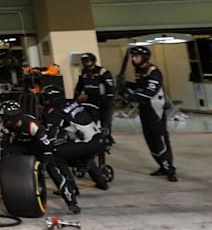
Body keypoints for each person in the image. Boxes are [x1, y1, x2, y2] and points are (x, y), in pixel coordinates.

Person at [0, 99, 81, 213]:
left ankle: (71, 202)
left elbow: (46, 143)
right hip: (20, 145)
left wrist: (46, 157)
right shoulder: (4, 126)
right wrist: (5, 160)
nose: (2, 120)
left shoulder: (31, 124)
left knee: (53, 171)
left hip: (38, 146)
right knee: (11, 163)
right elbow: (5, 145)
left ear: (13, 117)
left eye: (4, 117)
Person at [38, 86, 110, 191]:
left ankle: (70, 187)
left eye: (45, 99)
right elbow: (93, 109)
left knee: (55, 154)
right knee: (80, 153)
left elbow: (51, 137)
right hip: (98, 137)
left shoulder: (56, 112)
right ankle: (101, 182)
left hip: (88, 142)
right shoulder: (72, 102)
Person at [124, 46, 177, 181]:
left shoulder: (153, 72)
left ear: (144, 58)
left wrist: (132, 96)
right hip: (144, 108)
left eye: (136, 56)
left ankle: (169, 168)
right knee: (149, 138)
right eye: (133, 56)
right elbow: (141, 86)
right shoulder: (139, 70)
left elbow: (149, 92)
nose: (133, 59)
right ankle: (161, 165)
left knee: (159, 138)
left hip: (155, 109)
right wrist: (126, 85)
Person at [73, 53, 115, 139]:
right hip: (90, 99)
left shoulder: (102, 71)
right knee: (91, 119)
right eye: (84, 61)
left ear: (93, 61)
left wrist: (109, 100)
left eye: (88, 61)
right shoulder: (83, 72)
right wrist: (75, 97)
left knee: (105, 120)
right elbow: (79, 86)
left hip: (103, 99)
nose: (86, 63)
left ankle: (107, 137)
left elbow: (110, 87)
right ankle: (93, 137)